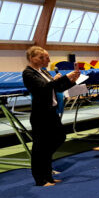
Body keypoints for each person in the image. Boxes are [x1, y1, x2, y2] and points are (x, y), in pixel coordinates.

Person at [22, 46, 80, 186]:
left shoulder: (43, 72)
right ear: (31, 58)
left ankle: (48, 175)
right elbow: (44, 88)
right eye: (40, 57)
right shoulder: (28, 73)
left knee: (59, 138)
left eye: (44, 57)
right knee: (40, 147)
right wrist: (65, 77)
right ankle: (40, 179)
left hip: (51, 112)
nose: (44, 60)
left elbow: (57, 88)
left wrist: (71, 81)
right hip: (40, 114)